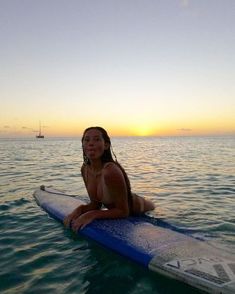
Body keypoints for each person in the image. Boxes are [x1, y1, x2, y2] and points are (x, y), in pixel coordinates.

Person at [63, 126, 155, 231]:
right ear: (83, 145)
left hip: (145, 209)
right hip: (126, 209)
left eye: (97, 139)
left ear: (106, 145)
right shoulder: (85, 170)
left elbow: (124, 212)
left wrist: (91, 215)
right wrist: (78, 211)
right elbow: (95, 205)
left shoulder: (110, 171)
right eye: (86, 140)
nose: (91, 143)